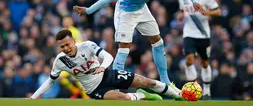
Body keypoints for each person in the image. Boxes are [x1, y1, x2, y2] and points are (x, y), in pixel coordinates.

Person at [73, 0, 204, 89]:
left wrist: (195, 1)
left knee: (158, 42)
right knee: (124, 47)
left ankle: (166, 81)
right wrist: (89, 10)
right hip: (125, 11)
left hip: (141, 8)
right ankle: (116, 86)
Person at [30, 29, 182, 100]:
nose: (66, 48)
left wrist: (103, 67)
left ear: (73, 41)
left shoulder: (87, 46)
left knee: (146, 81)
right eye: (62, 46)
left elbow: (108, 56)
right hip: (94, 89)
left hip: (108, 75)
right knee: (124, 99)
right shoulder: (60, 60)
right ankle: (144, 96)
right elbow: (50, 81)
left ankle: (178, 95)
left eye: (68, 44)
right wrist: (33, 98)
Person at [177, 0, 221, 100]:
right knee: (189, 60)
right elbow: (181, 12)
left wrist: (207, 12)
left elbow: (218, 11)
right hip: (188, 33)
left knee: (204, 62)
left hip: (203, 34)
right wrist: (180, 17)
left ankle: (206, 90)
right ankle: (194, 87)